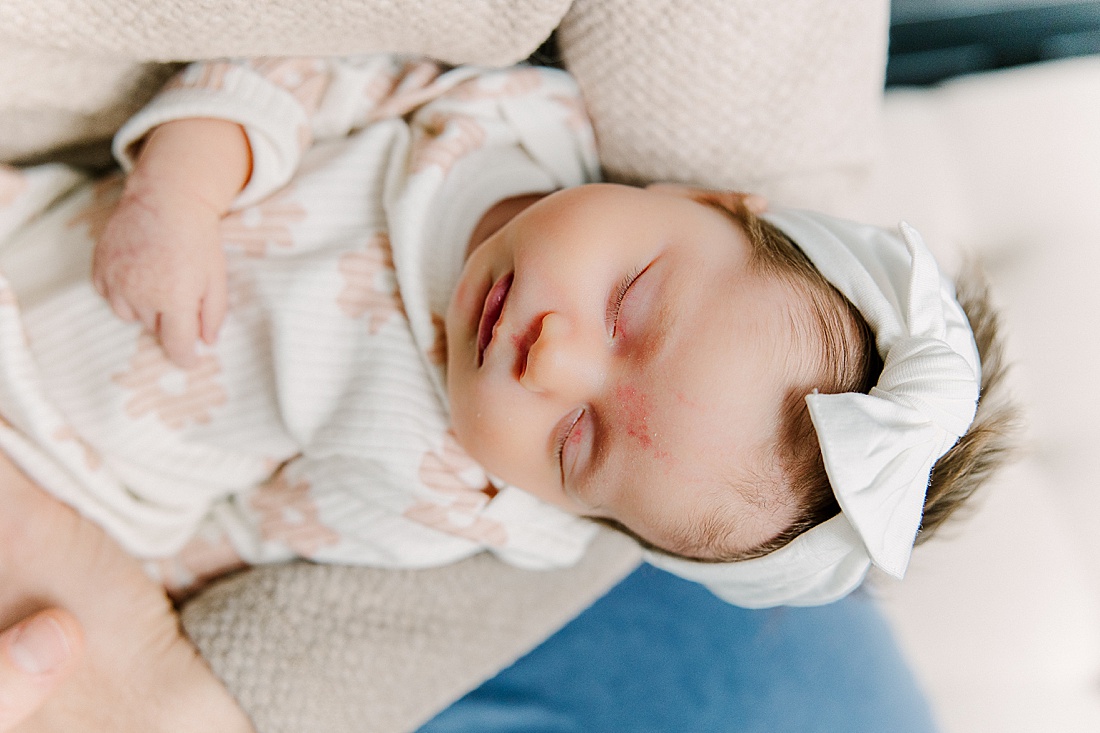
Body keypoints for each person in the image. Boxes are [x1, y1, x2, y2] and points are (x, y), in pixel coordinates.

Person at [0, 53, 1012, 609]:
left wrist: (109, 580)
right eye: (628, 308)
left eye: (577, 442)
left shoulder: (467, 501)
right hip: (37, 236)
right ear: (704, 200)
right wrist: (183, 188)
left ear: (578, 516)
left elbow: (251, 528)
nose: (549, 358)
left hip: (82, 487)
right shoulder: (499, 122)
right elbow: (297, 74)